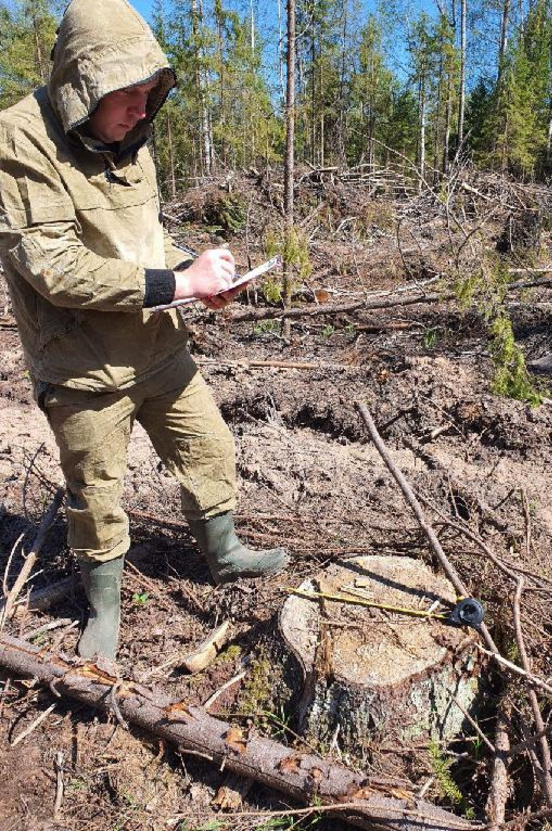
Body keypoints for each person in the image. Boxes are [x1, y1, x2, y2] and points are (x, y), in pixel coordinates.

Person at [0, 0, 289, 661]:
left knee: (210, 447)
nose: (140, 109)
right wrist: (181, 285)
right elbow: (56, 269)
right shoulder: (19, 140)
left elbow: (144, 245)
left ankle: (224, 553)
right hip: (81, 366)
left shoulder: (132, 142)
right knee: (95, 490)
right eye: (125, 95)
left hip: (157, 346)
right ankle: (103, 605)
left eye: (149, 94)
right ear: (82, 89)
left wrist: (196, 275)